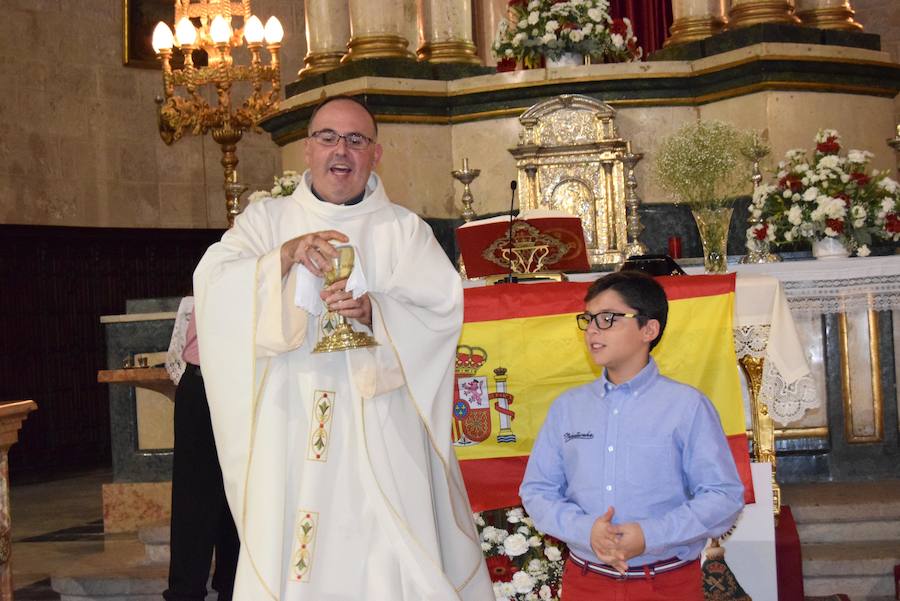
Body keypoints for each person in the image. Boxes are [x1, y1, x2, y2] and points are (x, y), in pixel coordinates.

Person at [192, 96, 492, 600]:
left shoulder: (404, 229)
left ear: (375, 155)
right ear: (307, 151)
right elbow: (214, 282)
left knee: (389, 537)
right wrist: (282, 258)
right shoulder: (265, 222)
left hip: (382, 416)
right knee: (300, 537)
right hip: (294, 413)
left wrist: (377, 311)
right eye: (328, 137)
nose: (341, 150)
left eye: (357, 140)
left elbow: (442, 310)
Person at [519, 271, 745, 601]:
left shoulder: (686, 406)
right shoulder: (568, 408)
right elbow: (537, 490)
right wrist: (586, 530)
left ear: (648, 329)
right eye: (589, 319)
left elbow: (723, 496)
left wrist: (649, 535)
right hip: (587, 581)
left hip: (665, 582)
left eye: (608, 318)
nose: (593, 330)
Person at [163, 300, 240, 601]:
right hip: (205, 384)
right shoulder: (220, 263)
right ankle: (186, 593)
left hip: (247, 386)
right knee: (194, 501)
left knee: (240, 500)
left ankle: (235, 589)